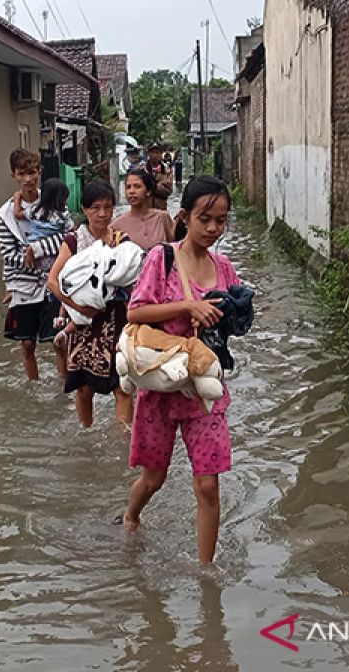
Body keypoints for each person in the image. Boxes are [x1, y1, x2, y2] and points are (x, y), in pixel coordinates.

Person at [121, 176, 242, 565]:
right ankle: (130, 515)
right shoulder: (163, 258)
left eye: (221, 221)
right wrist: (187, 308)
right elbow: (135, 312)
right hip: (159, 387)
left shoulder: (224, 268)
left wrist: (237, 311)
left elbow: (235, 325)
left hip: (204, 391)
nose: (212, 229)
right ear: (185, 216)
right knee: (153, 478)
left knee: (208, 486)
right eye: (205, 219)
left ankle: (206, 573)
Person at [48, 181, 136, 429]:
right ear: (85, 210)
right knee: (84, 388)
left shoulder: (121, 240)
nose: (102, 214)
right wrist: (76, 306)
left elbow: (133, 277)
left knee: (122, 385)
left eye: (107, 207)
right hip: (84, 324)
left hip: (117, 319)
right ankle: (86, 431)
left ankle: (122, 442)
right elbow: (53, 282)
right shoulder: (74, 241)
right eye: (95, 208)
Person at [0, 148, 63, 381]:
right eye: (22, 173)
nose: (28, 179)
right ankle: (33, 385)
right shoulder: (5, 215)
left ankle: (65, 387)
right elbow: (7, 253)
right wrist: (27, 259)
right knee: (26, 343)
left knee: (58, 339)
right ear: (13, 175)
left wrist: (37, 250)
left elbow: (67, 238)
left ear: (39, 172)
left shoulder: (53, 202)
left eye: (32, 172)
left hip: (52, 280)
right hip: (23, 283)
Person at [111, 168, 174, 252]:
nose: (132, 191)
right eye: (128, 187)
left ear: (148, 191)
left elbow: (175, 247)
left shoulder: (162, 218)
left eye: (137, 186)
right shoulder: (116, 224)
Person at [19, 178, 73, 271]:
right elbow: (70, 230)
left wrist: (17, 198)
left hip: (33, 253)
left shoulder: (35, 210)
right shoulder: (62, 215)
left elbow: (17, 214)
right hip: (52, 254)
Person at [146, 143, 174, 210]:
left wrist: (154, 187)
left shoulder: (167, 170)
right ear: (148, 154)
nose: (155, 155)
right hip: (145, 210)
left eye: (157, 152)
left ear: (161, 154)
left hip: (161, 209)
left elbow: (168, 191)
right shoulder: (142, 170)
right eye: (152, 152)